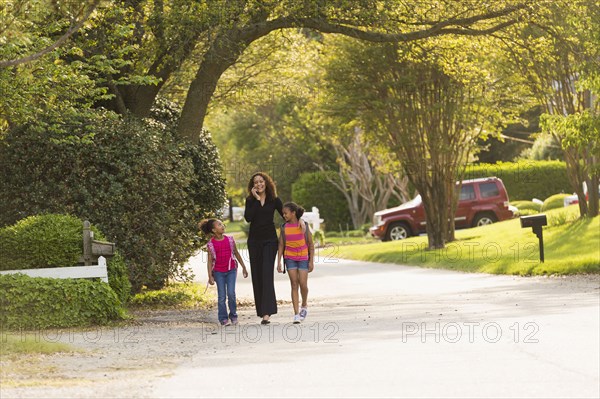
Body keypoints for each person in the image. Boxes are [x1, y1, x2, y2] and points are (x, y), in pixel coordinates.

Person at [244, 172, 284, 325]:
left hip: (269, 241)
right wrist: (256, 200)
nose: (259, 184)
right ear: (253, 186)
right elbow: (249, 217)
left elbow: (285, 215)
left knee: (267, 274)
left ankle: (267, 313)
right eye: (256, 183)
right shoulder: (250, 200)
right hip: (254, 241)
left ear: (266, 183)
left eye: (261, 181)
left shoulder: (274, 200)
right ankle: (261, 310)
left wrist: (299, 221)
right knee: (257, 275)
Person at [199, 218, 248, 326]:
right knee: (221, 296)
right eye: (219, 225)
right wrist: (210, 276)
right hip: (218, 272)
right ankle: (223, 318)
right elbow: (210, 261)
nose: (222, 226)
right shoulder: (211, 244)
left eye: (222, 224)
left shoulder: (230, 240)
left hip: (231, 270)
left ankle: (233, 315)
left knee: (231, 294)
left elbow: (236, 253)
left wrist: (244, 267)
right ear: (213, 230)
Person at [277, 202, 315, 324]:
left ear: (293, 213)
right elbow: (281, 245)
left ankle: (304, 305)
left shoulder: (304, 225)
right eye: (283, 213)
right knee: (294, 284)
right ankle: (296, 314)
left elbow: (310, 244)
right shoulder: (284, 227)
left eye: (286, 213)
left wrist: (311, 261)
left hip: (303, 258)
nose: (284, 215)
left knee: (303, 284)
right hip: (290, 258)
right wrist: (278, 262)